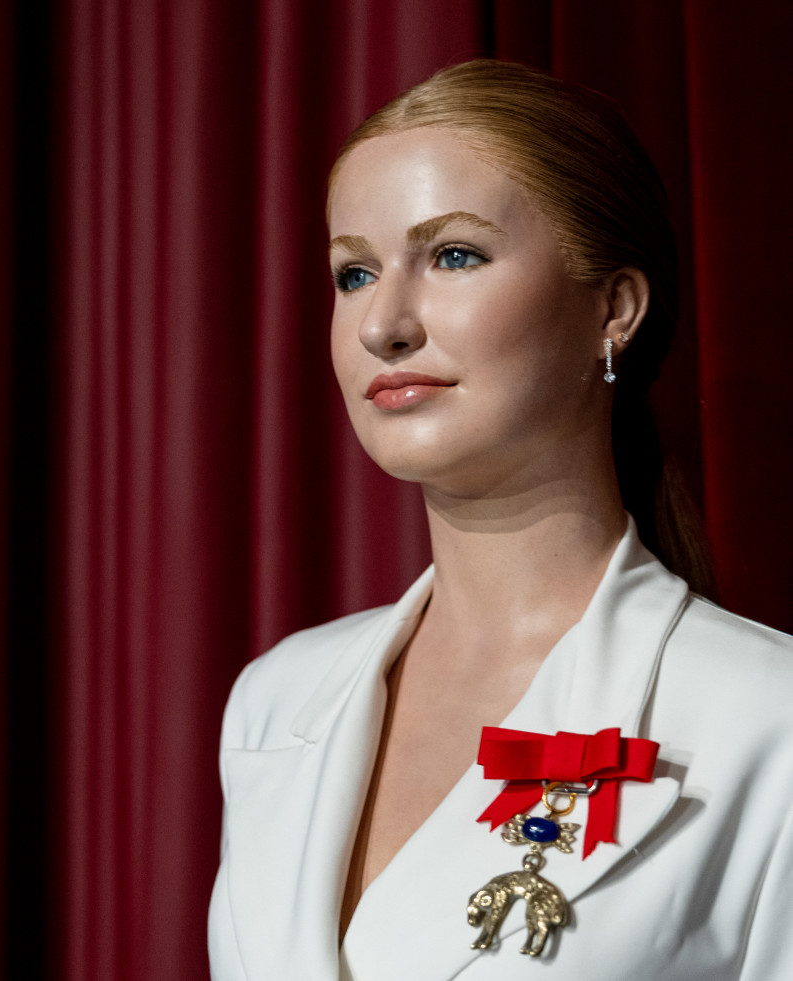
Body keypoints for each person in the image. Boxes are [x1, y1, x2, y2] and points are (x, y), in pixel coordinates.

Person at [207, 60, 793, 980]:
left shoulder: (767, 721)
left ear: (613, 308)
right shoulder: (279, 700)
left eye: (452, 256)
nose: (381, 325)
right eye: (353, 271)